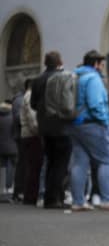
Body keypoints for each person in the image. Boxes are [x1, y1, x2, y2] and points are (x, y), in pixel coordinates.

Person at [67, 50, 109, 211]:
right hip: (93, 124)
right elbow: (95, 103)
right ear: (96, 64)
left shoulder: (76, 77)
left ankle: (78, 201)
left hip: (75, 124)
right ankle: (107, 199)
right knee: (107, 160)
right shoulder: (93, 78)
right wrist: (105, 120)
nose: (102, 67)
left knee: (79, 163)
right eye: (101, 64)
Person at [29, 51, 69, 209]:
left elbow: (33, 104)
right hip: (61, 124)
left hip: (44, 126)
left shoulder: (37, 80)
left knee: (50, 160)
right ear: (59, 62)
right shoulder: (62, 77)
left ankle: (48, 196)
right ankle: (55, 197)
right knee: (61, 162)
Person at [18, 79, 42, 205]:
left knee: (31, 166)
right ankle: (31, 195)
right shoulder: (29, 96)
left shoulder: (26, 96)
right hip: (32, 135)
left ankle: (29, 195)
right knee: (34, 166)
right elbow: (32, 117)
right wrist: (39, 131)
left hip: (27, 134)